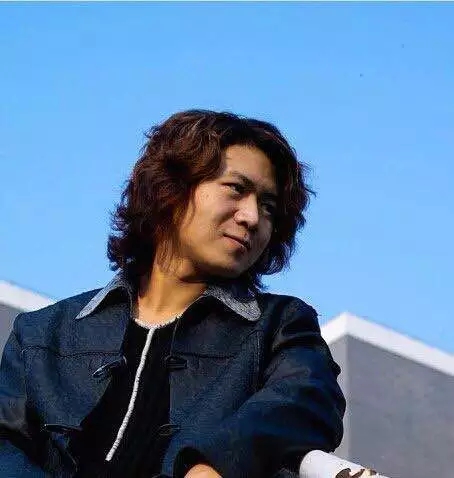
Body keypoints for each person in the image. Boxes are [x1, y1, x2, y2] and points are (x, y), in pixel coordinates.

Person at [0, 110, 345, 478]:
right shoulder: (42, 333)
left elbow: (308, 396)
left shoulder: (279, 325)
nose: (252, 217)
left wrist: (219, 461)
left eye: (268, 207)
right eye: (236, 188)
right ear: (172, 188)